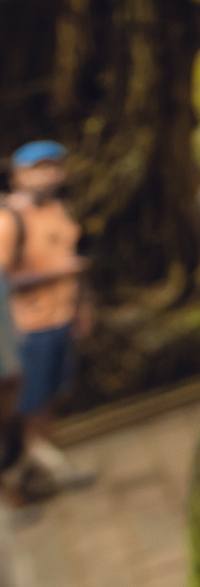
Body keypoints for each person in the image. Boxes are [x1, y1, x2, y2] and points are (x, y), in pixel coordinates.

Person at [1, 145, 88, 494]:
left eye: (53, 166)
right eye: (38, 168)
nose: (48, 174)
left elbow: (71, 257)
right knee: (26, 401)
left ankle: (43, 462)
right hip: (27, 326)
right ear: (18, 176)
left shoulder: (56, 209)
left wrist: (82, 303)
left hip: (60, 316)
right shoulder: (9, 219)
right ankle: (23, 475)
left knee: (48, 394)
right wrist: (57, 272)